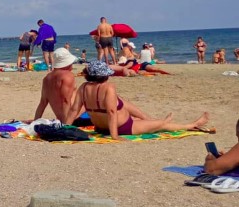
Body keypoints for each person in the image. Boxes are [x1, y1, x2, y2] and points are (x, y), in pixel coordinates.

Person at [65, 61, 209, 140]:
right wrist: (115, 136)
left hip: (100, 128)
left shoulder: (83, 87)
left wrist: (64, 128)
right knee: (162, 125)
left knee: (122, 103)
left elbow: (73, 110)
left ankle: (151, 120)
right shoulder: (109, 87)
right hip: (123, 127)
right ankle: (192, 125)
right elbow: (111, 112)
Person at [30, 48, 80, 122]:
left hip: (61, 118)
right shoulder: (68, 76)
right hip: (74, 118)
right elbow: (66, 100)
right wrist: (66, 124)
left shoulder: (47, 78)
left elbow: (43, 103)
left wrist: (35, 121)